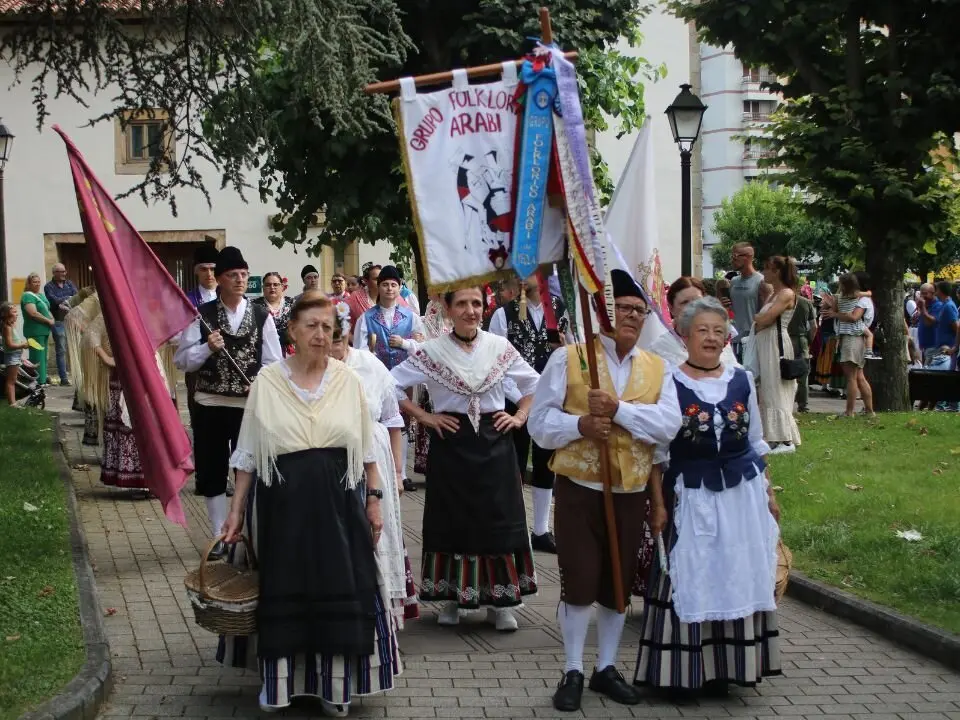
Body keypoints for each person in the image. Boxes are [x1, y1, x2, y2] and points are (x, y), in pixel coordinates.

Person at [219, 291, 402, 716]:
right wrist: (236, 511)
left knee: (339, 587)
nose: (321, 335)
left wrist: (373, 499)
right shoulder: (267, 382)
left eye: (327, 327)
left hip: (339, 506)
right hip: (282, 508)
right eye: (311, 326)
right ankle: (279, 685)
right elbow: (247, 453)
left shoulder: (349, 381)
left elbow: (367, 452)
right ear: (292, 332)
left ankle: (335, 687)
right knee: (284, 587)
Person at [527, 269, 682, 712]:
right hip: (579, 489)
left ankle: (607, 667)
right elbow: (539, 425)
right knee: (578, 581)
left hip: (630, 491)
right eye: (623, 308)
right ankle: (573, 668)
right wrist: (580, 425)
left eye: (639, 310)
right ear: (603, 311)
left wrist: (619, 413)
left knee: (617, 585)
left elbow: (667, 426)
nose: (632, 316)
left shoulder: (657, 368)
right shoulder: (571, 359)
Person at [633, 296, 782, 698]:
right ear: (684, 335)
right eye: (703, 330)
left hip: (741, 496)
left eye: (719, 331)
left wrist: (769, 494)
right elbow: (657, 453)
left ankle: (728, 668)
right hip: (689, 496)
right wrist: (658, 505)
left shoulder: (741, 379)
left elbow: (755, 441)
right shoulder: (668, 381)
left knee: (734, 569)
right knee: (692, 574)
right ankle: (683, 672)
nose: (712, 338)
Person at [392, 286, 540, 632]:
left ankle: (501, 602)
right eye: (462, 304)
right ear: (447, 308)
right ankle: (452, 598)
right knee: (452, 518)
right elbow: (391, 385)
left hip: (495, 441)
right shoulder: (431, 351)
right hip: (452, 442)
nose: (471, 311)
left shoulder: (498, 347)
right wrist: (425, 417)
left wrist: (519, 416)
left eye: (477, 303)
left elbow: (535, 384)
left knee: (498, 517)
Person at [174, 247, 283, 560]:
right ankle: (220, 533)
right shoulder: (203, 317)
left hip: (247, 407)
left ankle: (245, 530)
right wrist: (207, 348)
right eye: (232, 275)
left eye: (244, 275)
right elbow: (183, 360)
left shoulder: (262, 316)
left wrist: (260, 382)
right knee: (212, 467)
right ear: (219, 280)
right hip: (209, 403)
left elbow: (274, 362)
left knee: (247, 466)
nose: (239, 280)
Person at [329, 303, 419, 628]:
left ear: (349, 335)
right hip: (331, 460)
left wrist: (396, 471)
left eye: (339, 338)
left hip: (374, 459)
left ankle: (382, 610)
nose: (333, 346)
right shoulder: (314, 369)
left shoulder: (369, 365)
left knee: (377, 529)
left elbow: (394, 419)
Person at [489, 274, 572, 554]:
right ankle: (511, 525)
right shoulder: (504, 314)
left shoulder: (562, 310)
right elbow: (497, 364)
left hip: (552, 399)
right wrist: (524, 399)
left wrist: (565, 349)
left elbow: (576, 355)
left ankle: (540, 529)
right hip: (515, 400)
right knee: (512, 462)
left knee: (545, 462)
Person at [752, 256, 802, 452]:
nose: (764, 273)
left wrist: (759, 318)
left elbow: (766, 318)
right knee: (766, 388)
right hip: (766, 341)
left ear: (777, 272)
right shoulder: (774, 294)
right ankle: (772, 436)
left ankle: (784, 439)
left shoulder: (786, 294)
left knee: (776, 388)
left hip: (775, 343)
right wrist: (759, 319)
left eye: (767, 269)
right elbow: (761, 319)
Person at [823, 273, 876, 417]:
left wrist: (834, 312)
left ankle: (849, 411)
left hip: (851, 338)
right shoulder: (859, 297)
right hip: (856, 336)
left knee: (851, 377)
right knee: (859, 376)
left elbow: (849, 316)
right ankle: (869, 411)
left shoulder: (849, 298)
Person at [412, 294, 452, 479]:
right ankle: (431, 465)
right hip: (434, 371)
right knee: (432, 419)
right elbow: (425, 339)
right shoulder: (431, 310)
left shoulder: (457, 313)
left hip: (456, 372)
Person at [723, 243, 771, 361]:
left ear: (748, 257)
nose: (732, 260)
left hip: (751, 342)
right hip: (733, 340)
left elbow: (766, 315)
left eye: (735, 256)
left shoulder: (762, 282)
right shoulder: (733, 281)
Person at [43, 263, 78, 386]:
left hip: (71, 320)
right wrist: (68, 298)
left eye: (64, 271)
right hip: (58, 321)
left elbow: (77, 297)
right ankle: (63, 379)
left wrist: (64, 300)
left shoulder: (69, 284)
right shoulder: (49, 286)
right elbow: (53, 300)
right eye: (60, 272)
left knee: (74, 348)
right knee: (61, 350)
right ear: (54, 273)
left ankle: (77, 377)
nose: (64, 274)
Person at [20, 272, 56, 385]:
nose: (37, 284)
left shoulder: (40, 296)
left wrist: (52, 318)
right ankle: (37, 381)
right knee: (37, 356)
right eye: (34, 282)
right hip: (34, 331)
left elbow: (47, 309)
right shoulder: (27, 295)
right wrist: (48, 321)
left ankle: (43, 379)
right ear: (29, 283)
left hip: (44, 331)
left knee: (43, 357)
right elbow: (33, 313)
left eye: (38, 281)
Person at [788, 291, 816, 412]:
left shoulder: (779, 300)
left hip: (784, 339)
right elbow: (814, 326)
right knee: (803, 374)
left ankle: (786, 402)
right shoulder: (806, 303)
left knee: (783, 371)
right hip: (801, 339)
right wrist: (808, 341)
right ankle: (803, 404)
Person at [253, 272, 294, 353]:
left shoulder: (293, 304)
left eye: (275, 284)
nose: (272, 287)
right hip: (264, 351)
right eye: (268, 285)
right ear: (263, 287)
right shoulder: (255, 305)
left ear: (282, 287)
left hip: (290, 352)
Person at [1, 302, 31, 406]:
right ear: (7, 314)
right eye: (14, 312)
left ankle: (12, 401)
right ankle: (12, 403)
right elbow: (9, 344)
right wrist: (22, 345)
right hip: (12, 357)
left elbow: (14, 342)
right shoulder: (7, 327)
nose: (17, 314)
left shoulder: (12, 325)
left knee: (13, 380)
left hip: (16, 356)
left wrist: (22, 344)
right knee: (11, 381)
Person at [346, 264, 381, 336]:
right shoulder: (355, 298)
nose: (381, 281)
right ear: (366, 281)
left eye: (383, 278)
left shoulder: (391, 296)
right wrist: (354, 341)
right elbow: (341, 323)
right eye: (376, 279)